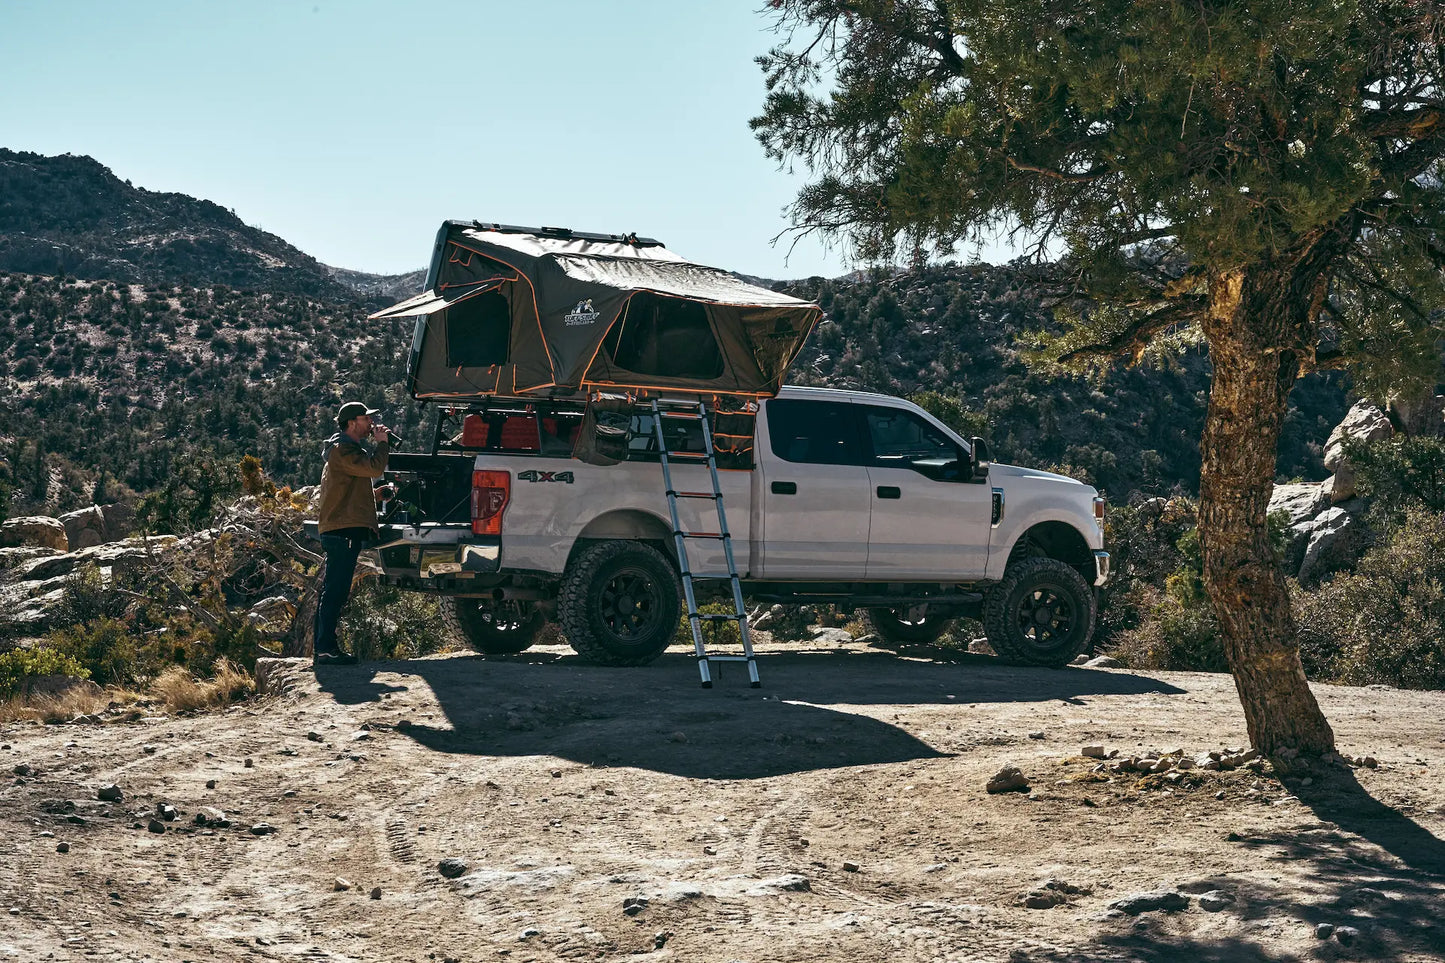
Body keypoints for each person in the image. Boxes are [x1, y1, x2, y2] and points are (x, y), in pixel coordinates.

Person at [313, 401, 395, 666]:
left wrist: (373, 495)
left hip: (341, 529)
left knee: (333, 590)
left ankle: (323, 647)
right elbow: (374, 468)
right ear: (351, 423)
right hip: (343, 531)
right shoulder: (343, 450)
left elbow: (345, 490)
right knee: (335, 591)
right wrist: (383, 444)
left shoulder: (343, 450)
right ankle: (326, 648)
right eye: (366, 419)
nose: (371, 423)